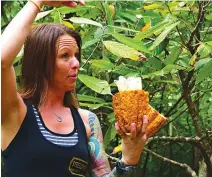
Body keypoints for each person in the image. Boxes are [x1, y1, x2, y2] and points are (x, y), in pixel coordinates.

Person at [1, 1, 149, 176]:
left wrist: (128, 160)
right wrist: (37, 2)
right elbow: (2, 60)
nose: (76, 63)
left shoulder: (87, 121)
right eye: (65, 56)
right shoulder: (15, 111)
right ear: (40, 62)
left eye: (76, 56)